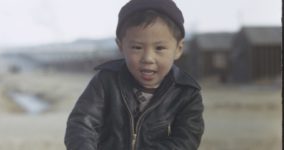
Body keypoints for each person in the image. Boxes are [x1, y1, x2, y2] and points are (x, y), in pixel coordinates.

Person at [64, 0, 204, 149]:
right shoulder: (106, 81)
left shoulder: (186, 92)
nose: (148, 58)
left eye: (160, 48)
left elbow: (186, 140)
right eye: (137, 47)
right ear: (121, 46)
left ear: (178, 48)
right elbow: (81, 125)